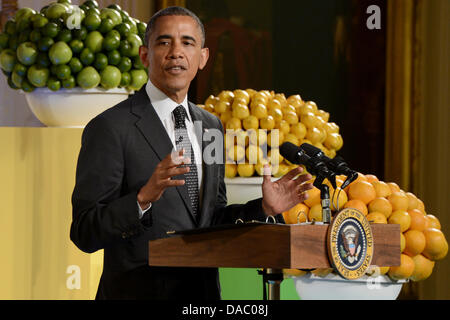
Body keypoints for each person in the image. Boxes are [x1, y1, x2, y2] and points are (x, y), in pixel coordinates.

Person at [70, 6, 313, 300]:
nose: (176, 52)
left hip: (202, 298)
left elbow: (212, 219)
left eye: (187, 42)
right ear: (144, 55)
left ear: (202, 57)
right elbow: (84, 232)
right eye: (163, 42)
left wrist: (263, 208)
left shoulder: (210, 126)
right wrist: (141, 200)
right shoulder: (109, 127)